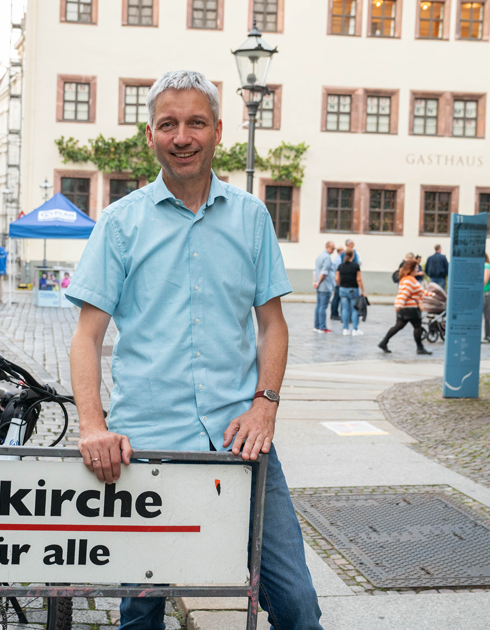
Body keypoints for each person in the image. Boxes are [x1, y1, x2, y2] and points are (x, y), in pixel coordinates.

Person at [66, 70, 323, 630]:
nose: (182, 136)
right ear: (151, 135)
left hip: (242, 441)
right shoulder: (119, 223)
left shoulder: (252, 217)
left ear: (218, 131)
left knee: (298, 605)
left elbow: (272, 325)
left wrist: (266, 403)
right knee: (140, 613)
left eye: (195, 123)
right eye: (168, 124)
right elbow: (87, 336)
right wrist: (92, 424)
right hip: (148, 445)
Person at [378, 259, 431, 355]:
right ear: (411, 269)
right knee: (417, 326)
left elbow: (420, 292)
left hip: (404, 308)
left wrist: (432, 295)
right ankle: (420, 348)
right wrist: (400, 305)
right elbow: (405, 293)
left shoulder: (405, 278)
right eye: (416, 268)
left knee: (398, 326)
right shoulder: (409, 279)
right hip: (410, 307)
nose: (417, 270)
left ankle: (384, 342)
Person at [335, 249, 365, 336]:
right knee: (354, 309)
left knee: (345, 309)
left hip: (343, 289)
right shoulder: (356, 266)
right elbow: (359, 279)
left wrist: (340, 285)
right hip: (353, 289)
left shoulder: (340, 266)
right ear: (353, 256)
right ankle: (355, 329)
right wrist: (362, 290)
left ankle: (345, 329)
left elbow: (336, 278)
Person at [312, 241, 335, 333]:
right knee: (323, 306)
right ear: (327, 247)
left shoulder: (320, 256)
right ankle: (322, 326)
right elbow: (324, 272)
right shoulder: (326, 257)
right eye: (332, 248)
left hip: (319, 285)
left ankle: (317, 326)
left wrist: (315, 282)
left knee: (318, 305)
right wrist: (318, 282)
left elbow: (315, 271)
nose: (333, 250)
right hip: (325, 286)